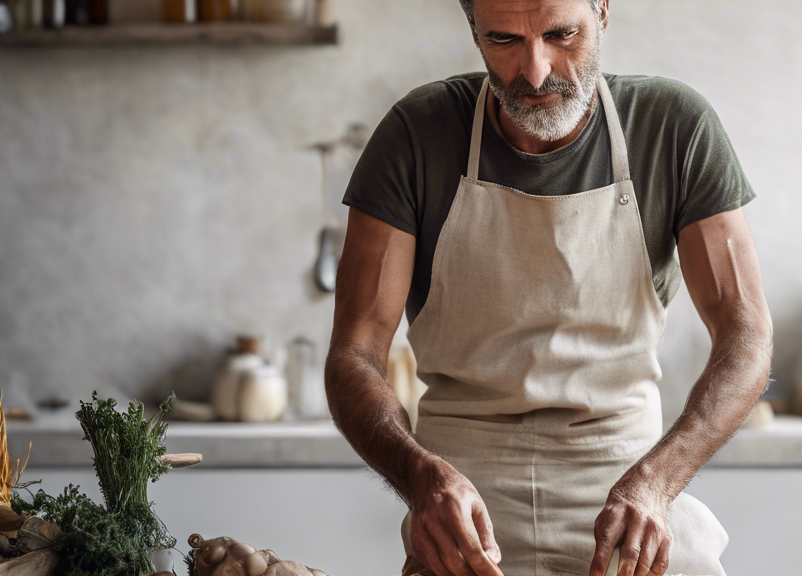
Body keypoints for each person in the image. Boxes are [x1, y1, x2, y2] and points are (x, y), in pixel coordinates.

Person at [324, 0, 773, 575]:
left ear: (603, 10)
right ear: (473, 30)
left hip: (629, 487)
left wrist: (659, 483)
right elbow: (353, 355)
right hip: (463, 508)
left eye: (562, 35)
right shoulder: (417, 134)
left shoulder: (673, 126)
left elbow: (747, 335)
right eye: (505, 41)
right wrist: (420, 479)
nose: (535, 72)